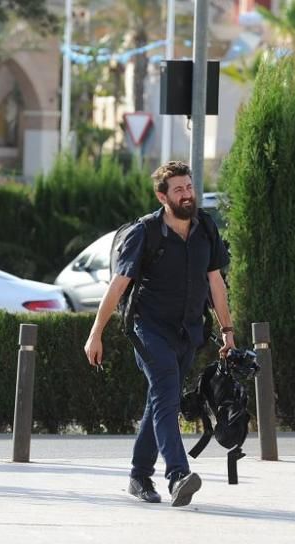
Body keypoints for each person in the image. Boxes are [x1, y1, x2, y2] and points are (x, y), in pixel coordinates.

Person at [84, 161, 235, 507]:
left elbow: (216, 283)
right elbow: (119, 285)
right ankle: (178, 476)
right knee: (166, 393)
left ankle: (139, 475)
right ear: (162, 196)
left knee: (160, 401)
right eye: (178, 189)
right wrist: (96, 333)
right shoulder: (146, 232)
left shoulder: (205, 229)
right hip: (150, 330)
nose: (187, 194)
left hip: (189, 332)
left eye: (189, 187)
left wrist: (228, 330)